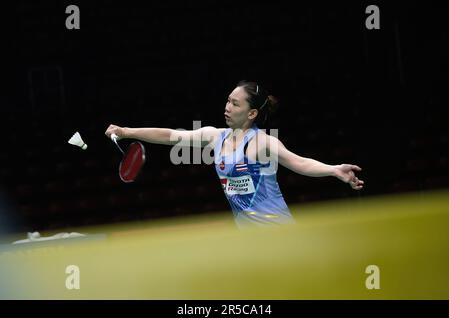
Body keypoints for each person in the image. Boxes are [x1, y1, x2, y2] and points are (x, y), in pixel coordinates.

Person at [105, 80, 364, 227]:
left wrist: (333, 170)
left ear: (252, 114)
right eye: (228, 100)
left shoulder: (261, 142)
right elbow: (170, 135)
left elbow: (298, 162)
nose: (227, 107)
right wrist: (126, 131)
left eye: (235, 103)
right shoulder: (215, 136)